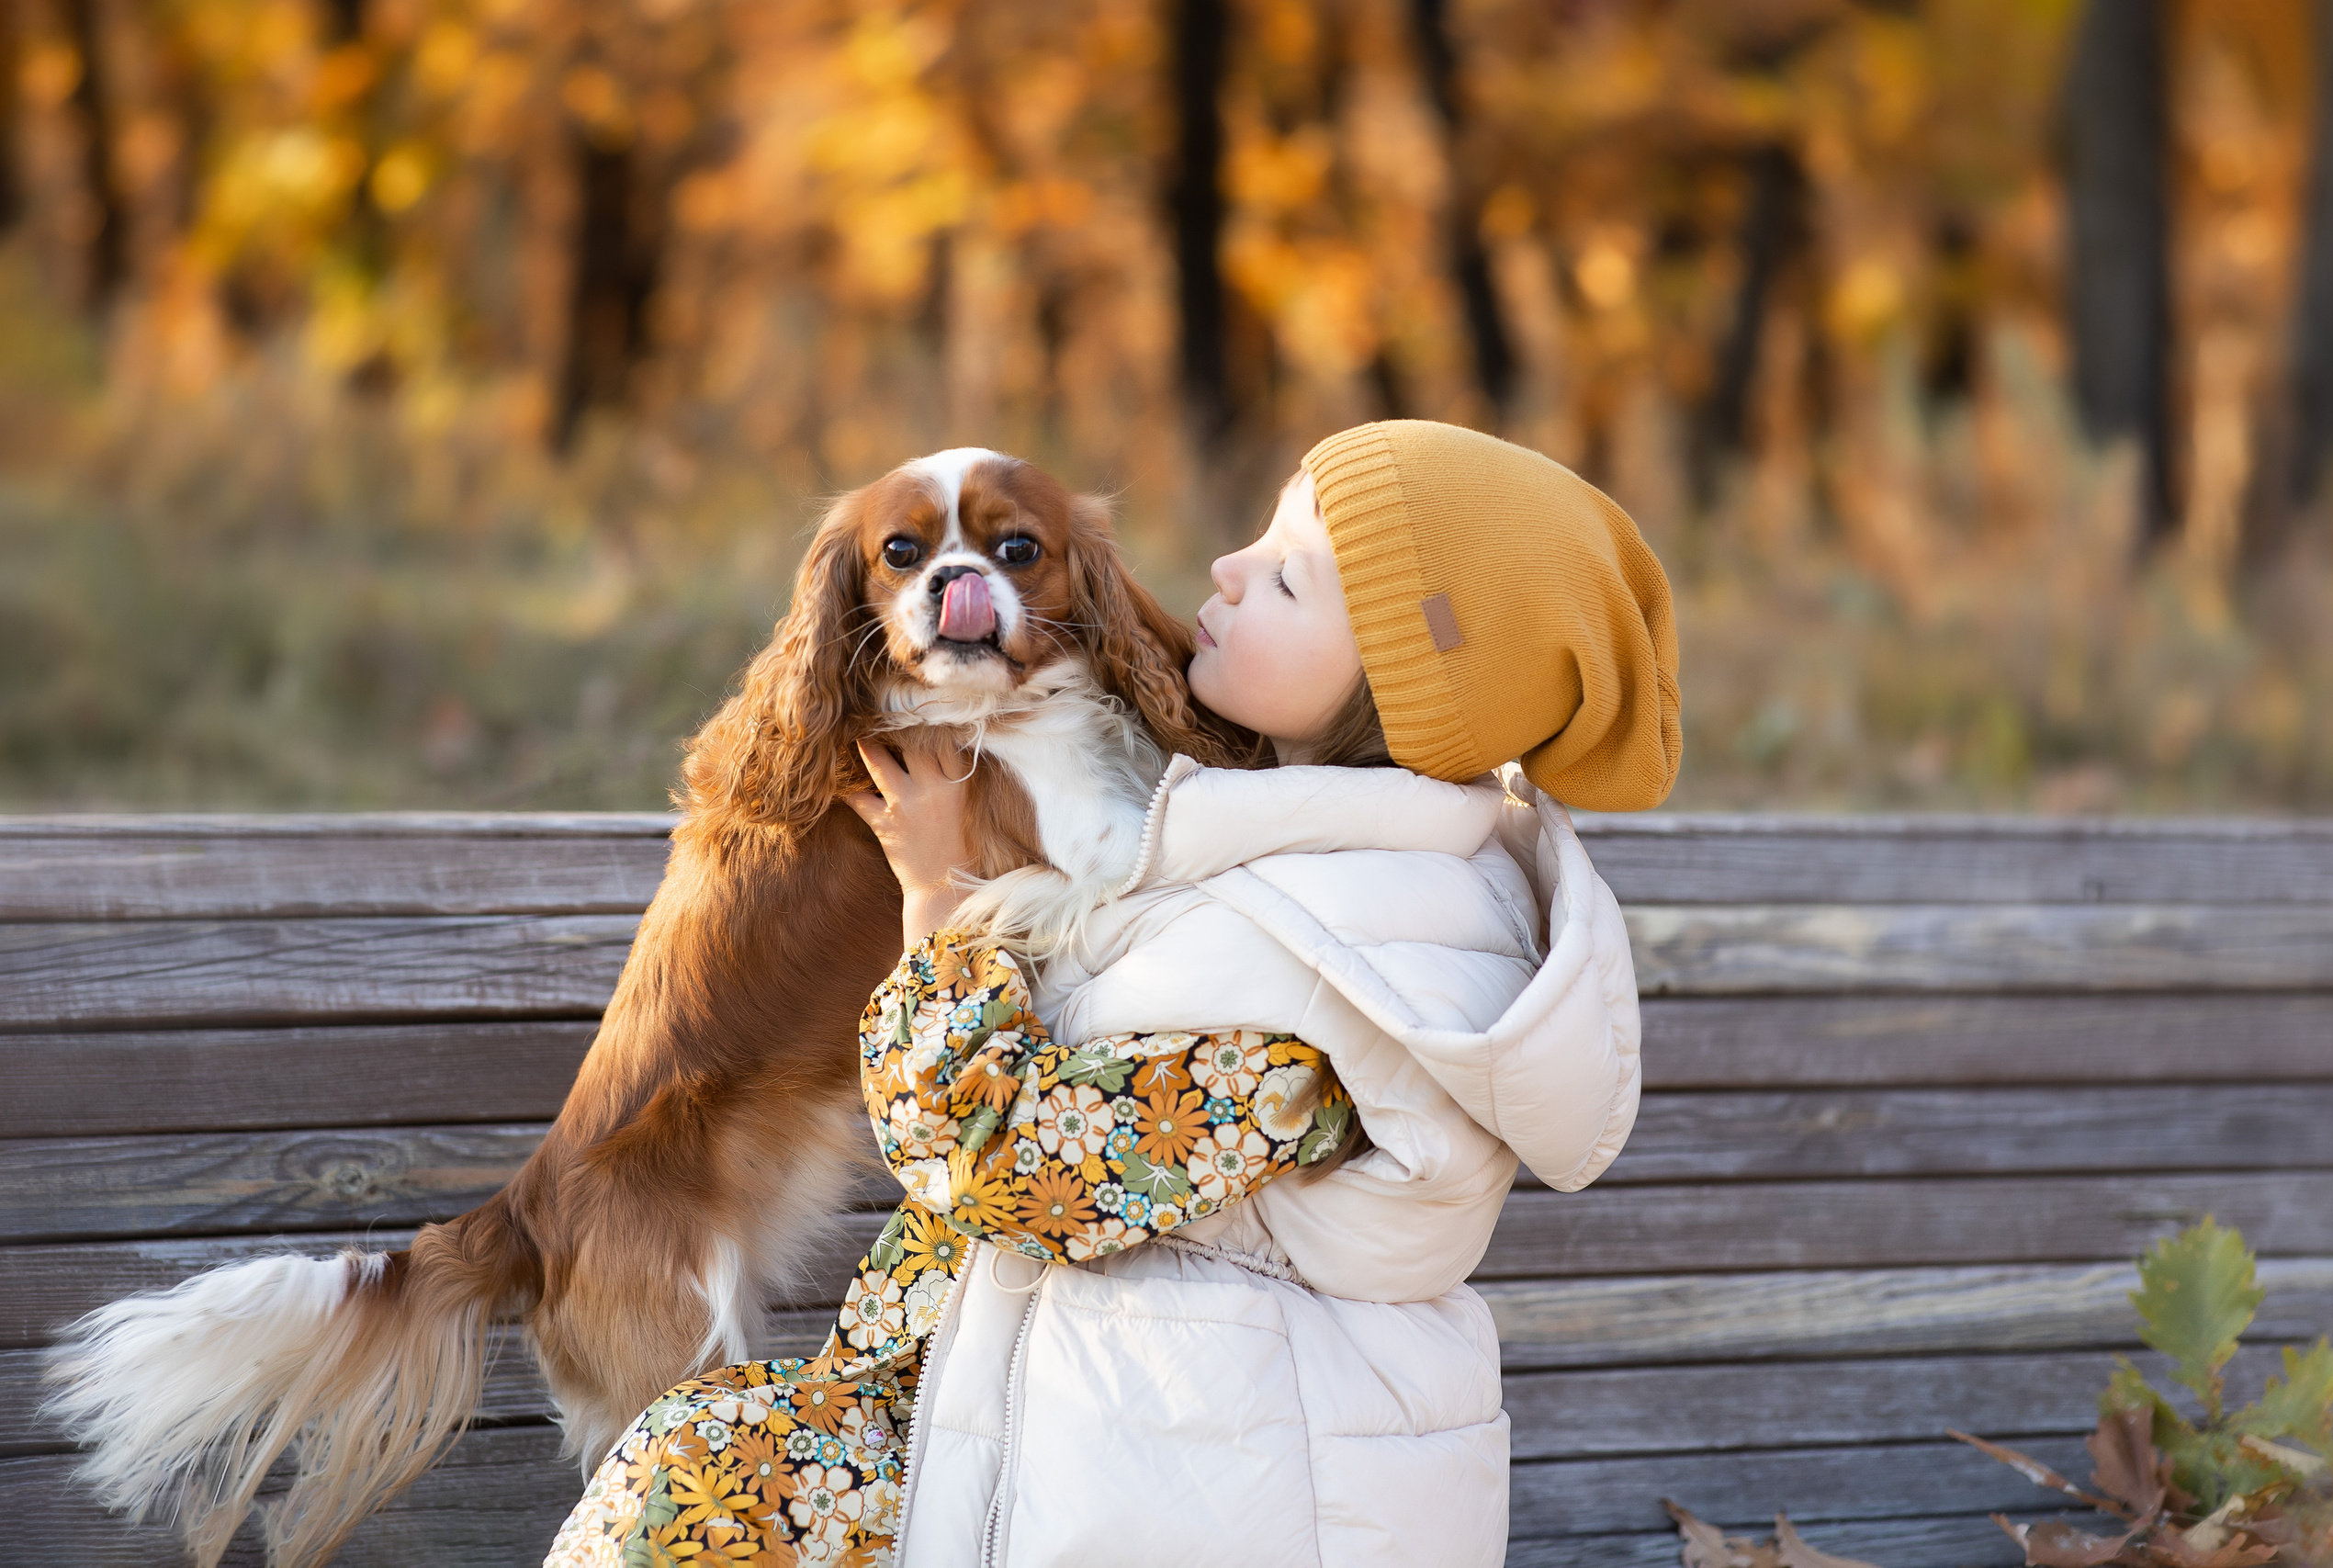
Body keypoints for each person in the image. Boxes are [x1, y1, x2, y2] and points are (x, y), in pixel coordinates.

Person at [544, 419, 1680, 1567]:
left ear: (1402, 691)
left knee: (699, 1483)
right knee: (700, 1463)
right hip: (1093, 1425)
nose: (1225, 567)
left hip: (1192, 1493)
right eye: (1255, 542)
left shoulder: (1350, 965)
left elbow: (1004, 1173)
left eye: (1286, 578)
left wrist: (936, 903)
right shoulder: (1270, 857)